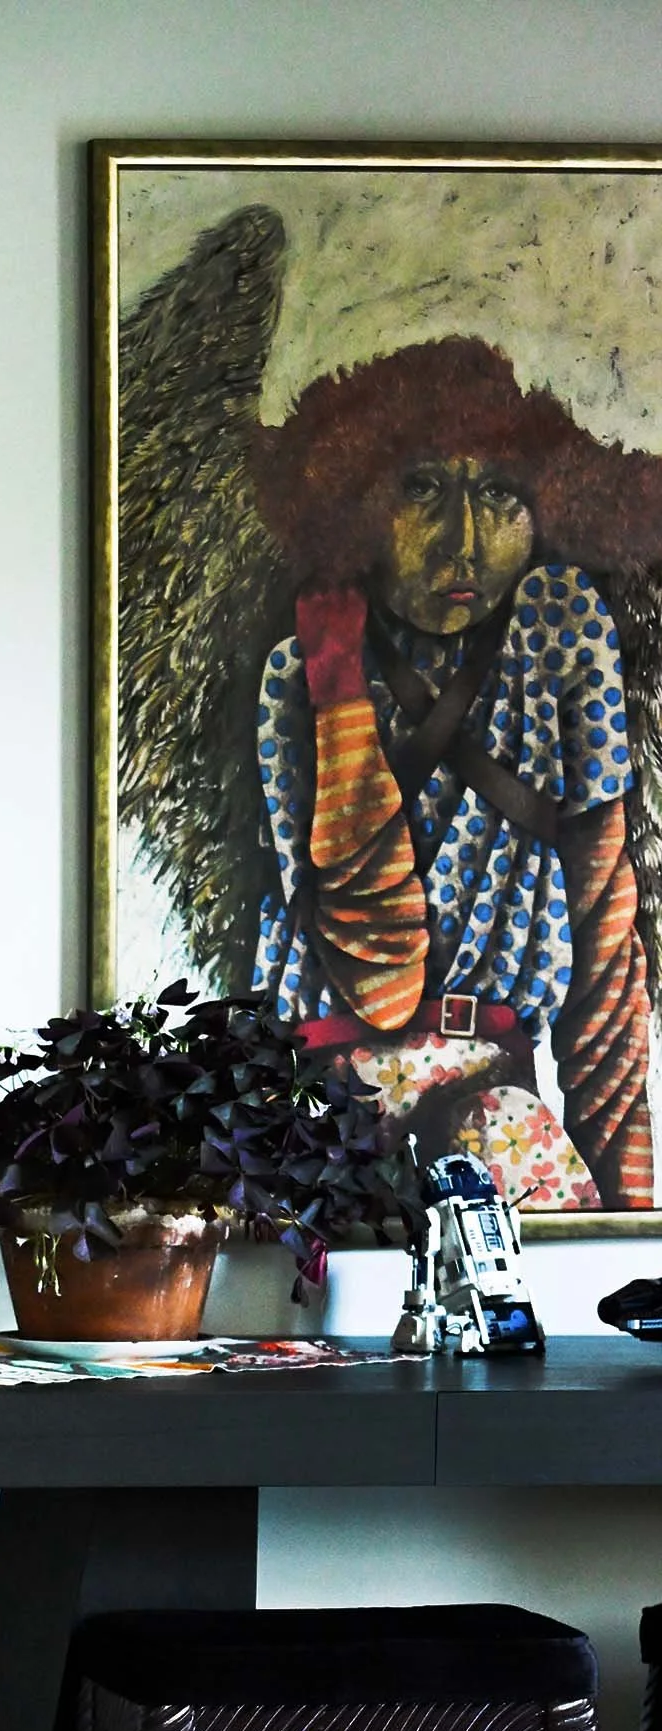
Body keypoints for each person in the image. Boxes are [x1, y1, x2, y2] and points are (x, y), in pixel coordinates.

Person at [249, 337, 662, 1208]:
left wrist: (629, 1222)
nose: (464, 544)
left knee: (511, 1150)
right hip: (330, 1102)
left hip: (492, 1097)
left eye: (501, 492)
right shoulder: (300, 674)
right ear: (358, 501)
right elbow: (383, 977)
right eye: (423, 488)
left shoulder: (558, 635)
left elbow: (605, 944)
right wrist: (338, 686)